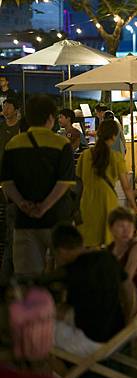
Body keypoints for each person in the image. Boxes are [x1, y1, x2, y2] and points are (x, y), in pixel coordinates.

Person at [1, 95, 75, 278]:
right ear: (50, 118)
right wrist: (44, 207)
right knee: (65, 275)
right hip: (57, 219)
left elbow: (7, 182)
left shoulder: (13, 144)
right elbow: (64, 182)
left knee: (28, 279)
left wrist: (22, 203)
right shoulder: (61, 144)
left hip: (24, 221)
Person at [45, 224, 126, 357]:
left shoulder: (73, 271)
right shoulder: (107, 257)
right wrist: (129, 317)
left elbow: (63, 309)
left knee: (37, 331)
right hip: (118, 336)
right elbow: (129, 288)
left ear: (61, 251)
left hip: (95, 344)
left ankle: (66, 377)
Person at [77, 120, 137, 247]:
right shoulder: (116, 157)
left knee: (90, 244)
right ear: (114, 136)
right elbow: (126, 187)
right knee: (109, 243)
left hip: (87, 202)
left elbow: (78, 182)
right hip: (108, 202)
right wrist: (134, 206)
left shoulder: (85, 155)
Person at [107, 207, 137, 318]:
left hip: (131, 300)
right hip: (114, 296)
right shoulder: (110, 248)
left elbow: (126, 278)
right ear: (111, 228)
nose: (126, 230)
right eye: (121, 226)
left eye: (129, 226)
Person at [0, 98, 20, 281]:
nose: (5, 109)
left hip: (17, 185)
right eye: (3, 106)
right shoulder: (1, 128)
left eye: (8, 106)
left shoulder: (21, 128)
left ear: (16, 109)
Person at [0, 98, 21, 168]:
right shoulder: (1, 126)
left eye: (8, 108)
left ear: (16, 111)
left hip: (15, 167)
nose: (5, 111)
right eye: (4, 107)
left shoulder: (21, 127)